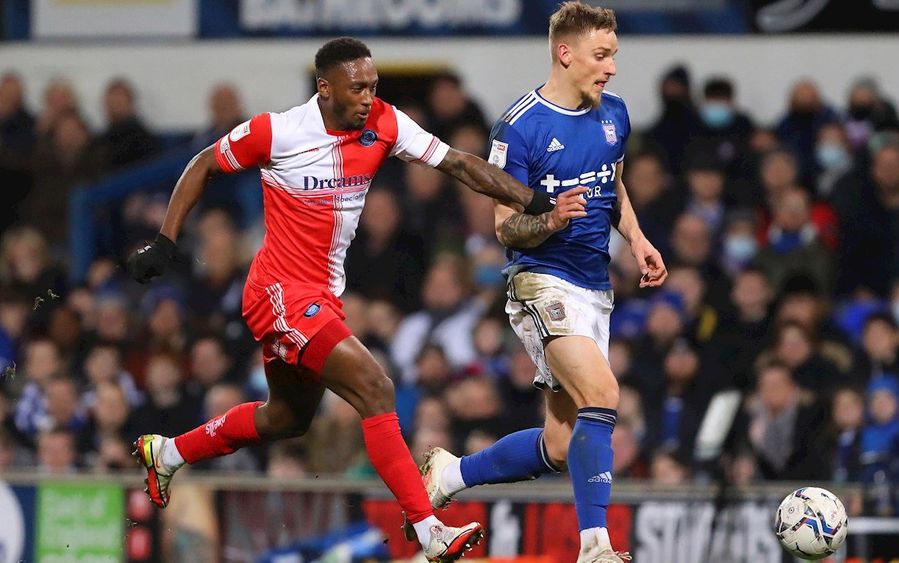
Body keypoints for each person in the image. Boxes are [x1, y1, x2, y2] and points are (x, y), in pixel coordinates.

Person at [125, 37, 553, 562]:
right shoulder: (277, 131)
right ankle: (429, 528)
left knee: (286, 418)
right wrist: (168, 241)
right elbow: (202, 165)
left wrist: (533, 200)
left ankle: (166, 452)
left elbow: (461, 164)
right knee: (376, 388)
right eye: (358, 88)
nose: (369, 98)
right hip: (278, 294)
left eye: (373, 86)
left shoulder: (384, 123)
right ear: (324, 89)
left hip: (321, 298)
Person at [412, 4, 666, 562]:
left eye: (615, 55)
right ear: (565, 53)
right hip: (541, 284)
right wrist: (550, 219)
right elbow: (505, 225)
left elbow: (612, 183)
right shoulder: (521, 126)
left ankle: (452, 474)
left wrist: (638, 238)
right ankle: (595, 547)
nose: (612, 68)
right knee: (603, 394)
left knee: (558, 443)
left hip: (595, 286)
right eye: (602, 56)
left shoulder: (615, 114)